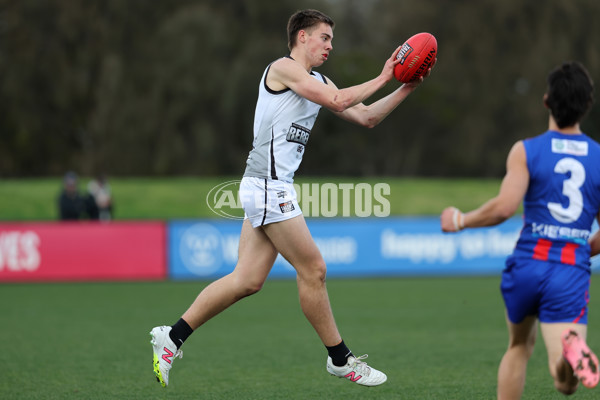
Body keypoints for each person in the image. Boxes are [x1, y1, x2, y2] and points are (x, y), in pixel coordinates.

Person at [150, 9, 434, 388]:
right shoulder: (282, 69)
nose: (330, 45)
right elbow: (336, 101)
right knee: (314, 269)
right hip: (268, 187)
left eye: (331, 39)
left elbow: (366, 117)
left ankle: (171, 337)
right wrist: (385, 74)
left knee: (246, 280)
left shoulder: (318, 79)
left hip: (268, 187)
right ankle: (340, 358)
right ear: (302, 37)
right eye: (324, 37)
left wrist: (406, 86)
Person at [440, 61, 599, 399]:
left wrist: (460, 220)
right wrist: (583, 247)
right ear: (588, 104)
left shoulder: (525, 150)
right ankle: (569, 360)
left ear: (546, 101)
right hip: (568, 270)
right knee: (564, 383)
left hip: (527, 264)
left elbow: (504, 208)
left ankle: (569, 359)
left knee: (518, 347)